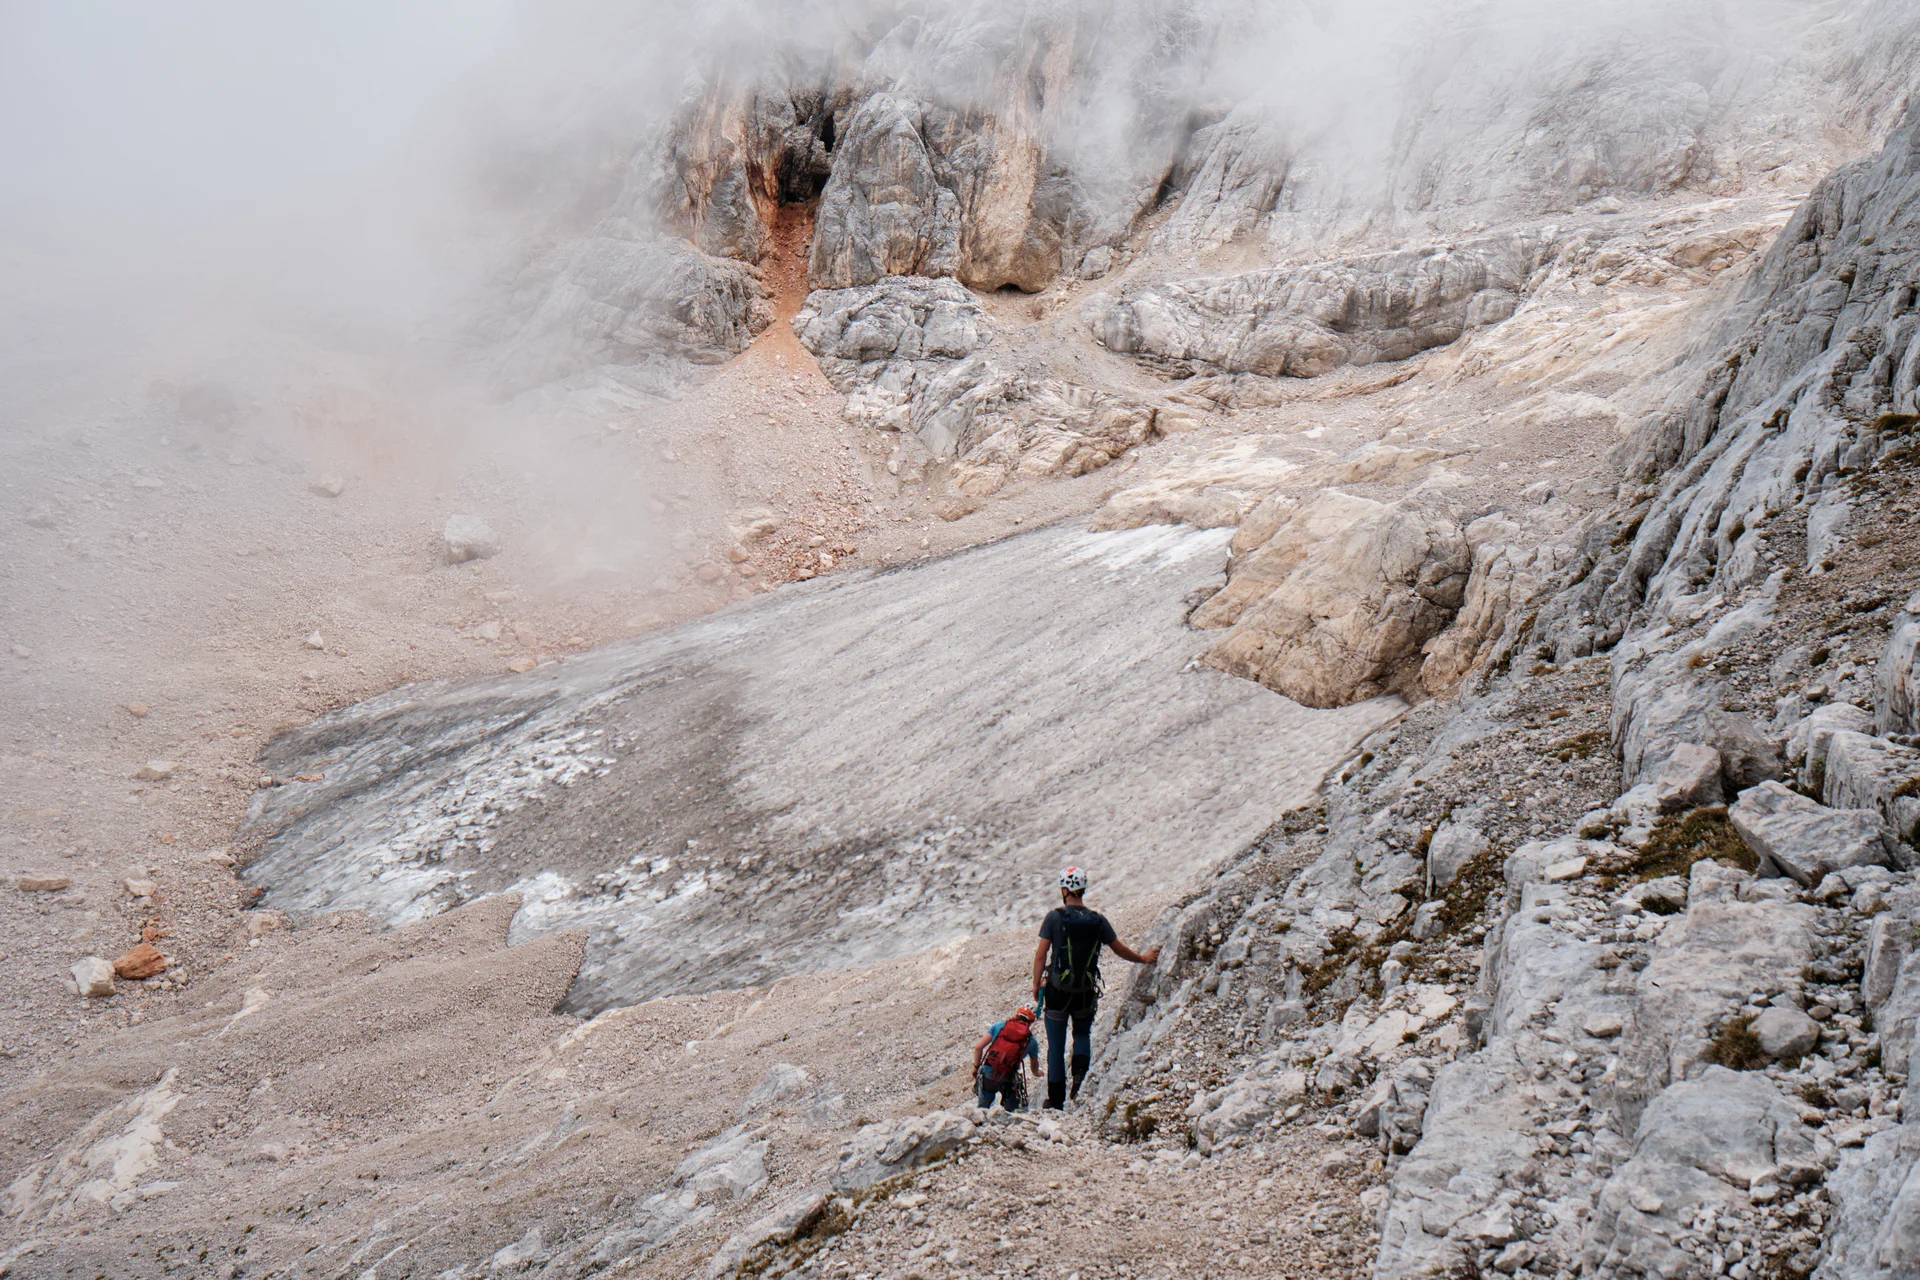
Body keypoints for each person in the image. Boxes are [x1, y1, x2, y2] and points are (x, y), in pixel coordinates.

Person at [1031, 866, 1160, 1109]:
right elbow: (1119, 948)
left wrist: (1036, 983)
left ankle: (1056, 1100)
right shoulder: (1098, 920)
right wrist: (1142, 958)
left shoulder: (1054, 917)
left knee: (1056, 1047)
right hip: (1084, 992)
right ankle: (1079, 1082)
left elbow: (1041, 955)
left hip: (1057, 992)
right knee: (1081, 1035)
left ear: (1065, 889)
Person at [973, 1004, 1042, 1111]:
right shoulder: (1031, 1041)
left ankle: (978, 1124)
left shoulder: (999, 1026)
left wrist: (976, 1067)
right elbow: (1034, 1069)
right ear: (1030, 1023)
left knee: (982, 1109)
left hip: (989, 1073)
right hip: (1008, 1077)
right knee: (1012, 1110)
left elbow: (978, 1047)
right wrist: (1038, 1073)